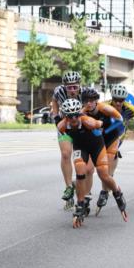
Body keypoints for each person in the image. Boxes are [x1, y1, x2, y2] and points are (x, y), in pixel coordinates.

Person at [56, 98, 128, 227]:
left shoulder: (89, 122)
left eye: (76, 115)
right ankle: (80, 204)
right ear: (65, 116)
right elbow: (68, 139)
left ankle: (118, 193)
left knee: (104, 175)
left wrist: (102, 123)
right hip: (80, 147)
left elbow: (102, 123)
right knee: (80, 173)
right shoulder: (61, 126)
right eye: (69, 116)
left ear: (80, 114)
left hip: (97, 146)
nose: (73, 119)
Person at [81, 87, 126, 216]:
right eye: (86, 101)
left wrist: (105, 130)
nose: (89, 103)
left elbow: (120, 122)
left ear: (96, 101)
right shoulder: (82, 113)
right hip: (96, 140)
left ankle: (108, 192)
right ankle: (86, 199)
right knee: (88, 169)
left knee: (105, 173)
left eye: (92, 100)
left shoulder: (105, 109)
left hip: (111, 138)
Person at [49, 71, 84, 209]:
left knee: (82, 159)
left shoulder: (85, 93)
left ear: (79, 86)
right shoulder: (59, 91)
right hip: (65, 125)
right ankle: (69, 187)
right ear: (65, 87)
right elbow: (54, 101)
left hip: (81, 126)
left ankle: (81, 184)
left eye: (75, 87)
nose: (72, 90)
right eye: (69, 87)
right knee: (65, 154)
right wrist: (56, 116)